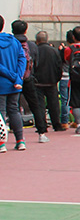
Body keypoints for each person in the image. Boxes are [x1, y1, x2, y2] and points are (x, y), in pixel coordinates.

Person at [11, 20, 47, 143]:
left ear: (12, 30)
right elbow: (36, 62)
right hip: (28, 79)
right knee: (35, 105)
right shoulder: (31, 45)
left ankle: (15, 130)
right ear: (26, 30)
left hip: (12, 79)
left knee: (13, 106)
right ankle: (41, 132)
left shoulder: (10, 43)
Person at [0, 15, 28, 152]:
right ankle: (20, 140)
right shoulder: (14, 41)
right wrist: (18, 78)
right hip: (15, 84)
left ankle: (1, 143)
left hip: (2, 82)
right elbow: (22, 59)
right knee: (14, 110)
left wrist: (12, 77)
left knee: (1, 112)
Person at [33, 31, 63, 134]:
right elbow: (59, 66)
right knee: (53, 104)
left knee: (39, 105)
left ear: (37, 40)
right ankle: (56, 124)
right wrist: (57, 78)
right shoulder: (54, 51)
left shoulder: (35, 51)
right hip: (51, 81)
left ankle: (42, 125)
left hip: (38, 82)